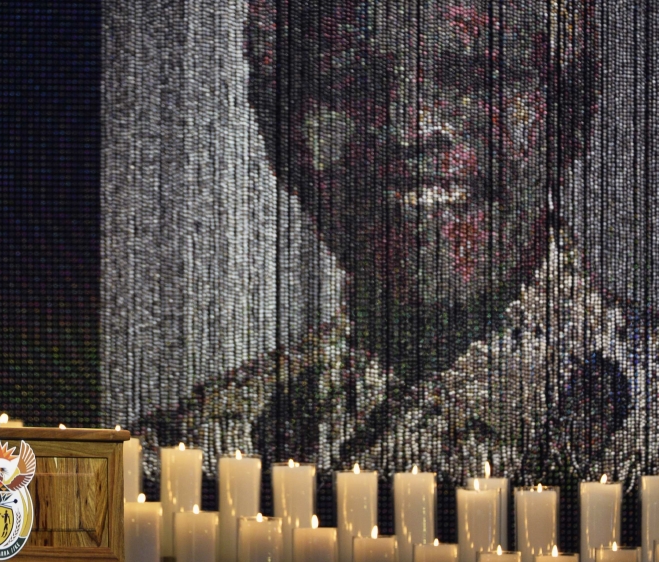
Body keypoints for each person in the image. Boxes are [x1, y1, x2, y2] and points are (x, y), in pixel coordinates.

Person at [133, 0, 656, 487]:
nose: (412, 127)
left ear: (571, 115)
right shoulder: (189, 459)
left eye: (475, 78)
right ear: (280, 137)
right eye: (351, 84)